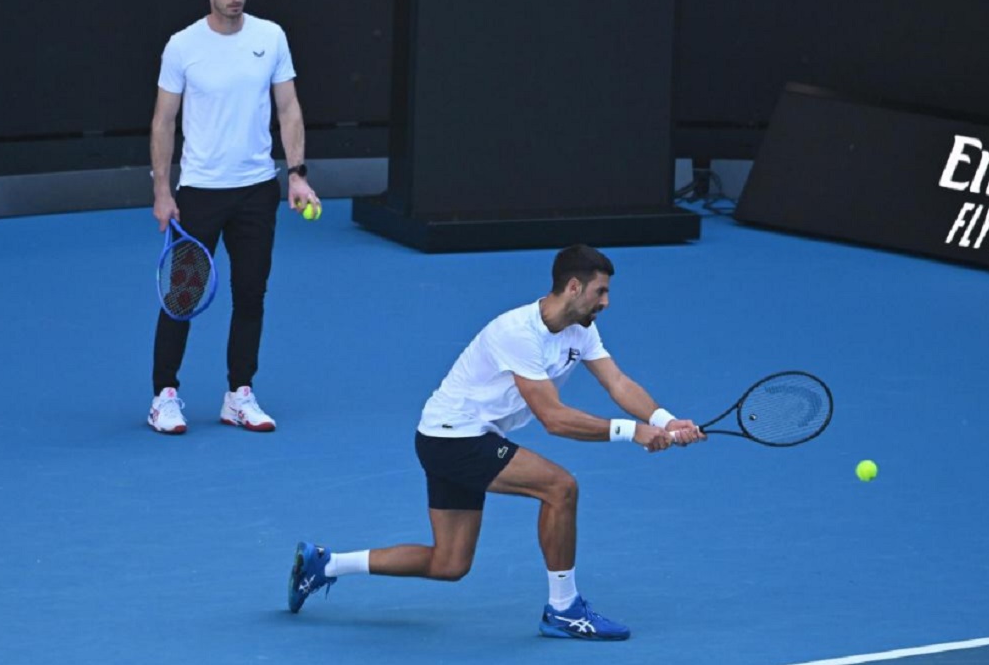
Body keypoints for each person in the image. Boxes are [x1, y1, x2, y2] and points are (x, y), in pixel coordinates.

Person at [287, 244, 706, 640]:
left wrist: (664, 420)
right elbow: (553, 419)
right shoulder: (517, 333)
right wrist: (631, 431)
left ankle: (326, 564)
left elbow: (617, 381)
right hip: (454, 439)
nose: (606, 302)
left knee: (449, 564)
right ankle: (564, 609)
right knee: (561, 488)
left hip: (456, 436)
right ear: (573, 287)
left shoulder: (581, 329)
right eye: (601, 291)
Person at [146, 0, 318, 435]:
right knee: (182, 295)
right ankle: (164, 396)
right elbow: (164, 121)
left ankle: (238, 395)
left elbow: (289, 110)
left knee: (251, 295)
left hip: (256, 191)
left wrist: (298, 174)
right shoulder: (182, 46)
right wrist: (163, 190)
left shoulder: (271, 37)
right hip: (199, 192)